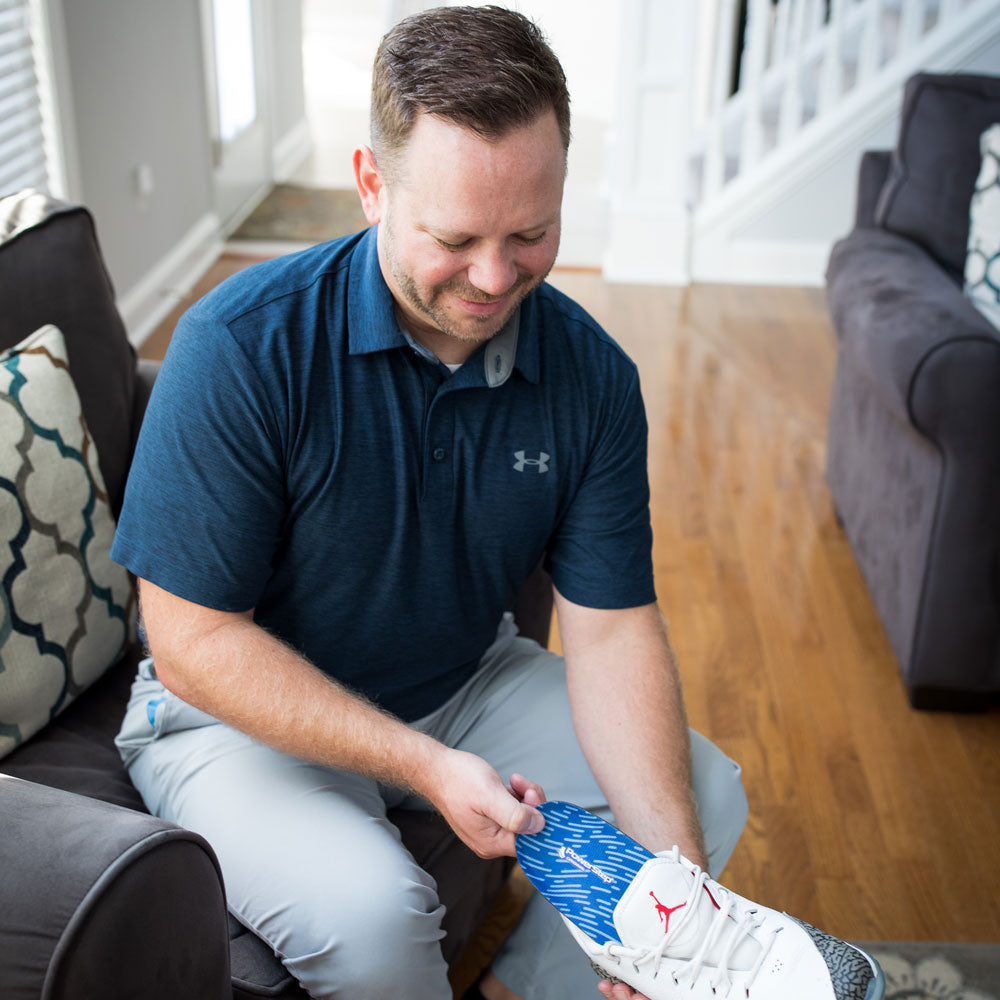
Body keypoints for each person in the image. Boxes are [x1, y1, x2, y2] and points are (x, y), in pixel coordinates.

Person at [112, 7, 749, 999]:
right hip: (230, 722)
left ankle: (518, 986)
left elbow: (614, 629)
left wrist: (675, 913)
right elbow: (191, 641)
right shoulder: (239, 345)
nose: (495, 279)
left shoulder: (592, 376)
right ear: (372, 186)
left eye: (529, 233)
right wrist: (421, 764)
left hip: (462, 677)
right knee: (377, 918)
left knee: (698, 806)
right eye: (455, 239)